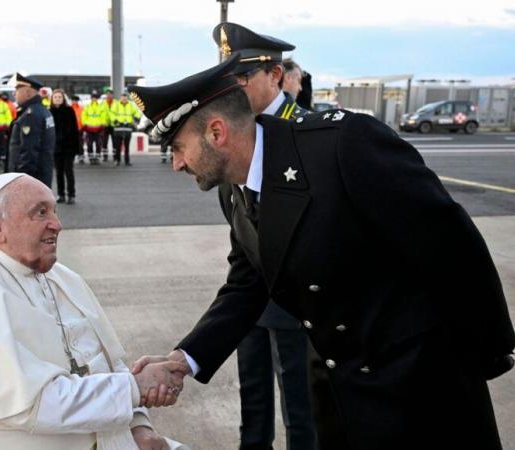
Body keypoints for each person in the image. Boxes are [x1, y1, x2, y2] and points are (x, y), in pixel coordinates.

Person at [130, 55, 515, 450]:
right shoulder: (233, 189)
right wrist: (184, 359)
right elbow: (248, 284)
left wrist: (486, 355)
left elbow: (453, 246)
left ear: (216, 132)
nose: (176, 163)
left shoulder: (342, 145)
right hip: (340, 393)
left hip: (421, 389)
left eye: (178, 148)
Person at [0, 173, 189, 450]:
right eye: (40, 213)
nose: (57, 224)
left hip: (105, 435)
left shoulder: (64, 278)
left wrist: (140, 426)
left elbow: (108, 362)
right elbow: (34, 405)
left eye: (54, 212)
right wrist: (135, 388)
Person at [213, 22, 317, 450]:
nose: (233, 87)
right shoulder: (233, 131)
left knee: (301, 407)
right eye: (228, 78)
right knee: (252, 399)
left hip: (296, 305)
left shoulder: (309, 131)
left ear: (275, 76)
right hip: (250, 297)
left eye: (244, 76)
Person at [214, 23, 308, 122]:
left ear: (275, 75)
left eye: (242, 77)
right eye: (230, 79)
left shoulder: (308, 129)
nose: (233, 87)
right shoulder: (231, 124)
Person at [8, 73, 56, 188]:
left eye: (17, 90)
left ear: (28, 93)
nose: (14, 93)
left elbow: (28, 153)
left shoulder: (31, 115)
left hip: (30, 182)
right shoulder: (43, 111)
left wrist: (22, 183)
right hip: (41, 178)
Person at [50, 89, 79, 204]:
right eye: (55, 97)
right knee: (59, 172)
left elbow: (75, 130)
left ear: (63, 99)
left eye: (59, 97)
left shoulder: (69, 111)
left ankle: (71, 194)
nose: (57, 99)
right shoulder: (49, 112)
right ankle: (61, 194)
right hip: (56, 147)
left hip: (68, 147)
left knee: (68, 171)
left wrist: (76, 147)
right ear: (52, 99)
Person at [110, 92, 142, 166]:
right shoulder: (116, 105)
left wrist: (137, 117)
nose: (124, 98)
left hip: (128, 127)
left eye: (125, 97)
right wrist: (115, 120)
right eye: (123, 97)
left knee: (127, 146)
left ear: (127, 98)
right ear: (120, 98)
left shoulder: (131, 105)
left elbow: (137, 112)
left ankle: (127, 161)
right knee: (118, 146)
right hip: (118, 127)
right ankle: (117, 160)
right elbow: (112, 113)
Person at [82, 90, 107, 165]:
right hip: (89, 129)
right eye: (93, 97)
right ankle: (91, 158)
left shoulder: (101, 107)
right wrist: (85, 125)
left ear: (97, 99)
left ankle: (98, 158)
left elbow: (103, 117)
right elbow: (83, 116)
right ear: (91, 98)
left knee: (98, 144)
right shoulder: (87, 107)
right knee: (89, 144)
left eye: (95, 98)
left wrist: (102, 124)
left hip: (98, 129)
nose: (94, 99)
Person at [101, 88, 116, 162]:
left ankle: (115, 156)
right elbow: (100, 114)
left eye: (110, 94)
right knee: (104, 142)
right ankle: (105, 157)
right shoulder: (102, 103)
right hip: (105, 125)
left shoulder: (116, 103)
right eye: (107, 94)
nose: (109, 95)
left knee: (115, 142)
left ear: (112, 95)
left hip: (114, 125)